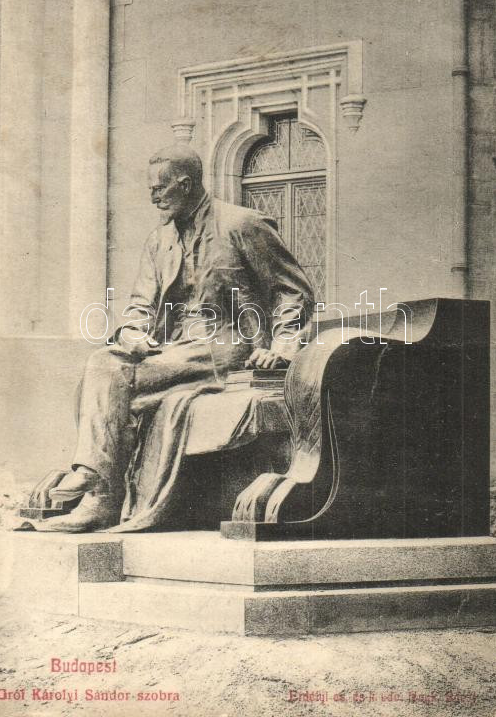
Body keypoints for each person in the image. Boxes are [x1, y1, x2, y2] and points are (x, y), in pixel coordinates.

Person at [34, 144, 314, 531]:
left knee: (113, 381)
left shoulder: (241, 224)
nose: (153, 197)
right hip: (174, 349)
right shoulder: (159, 240)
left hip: (226, 345)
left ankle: (99, 494)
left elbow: (293, 290)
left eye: (159, 188)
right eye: (151, 189)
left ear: (185, 184)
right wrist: (133, 333)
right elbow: (141, 305)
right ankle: (97, 485)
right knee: (104, 364)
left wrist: (282, 347)